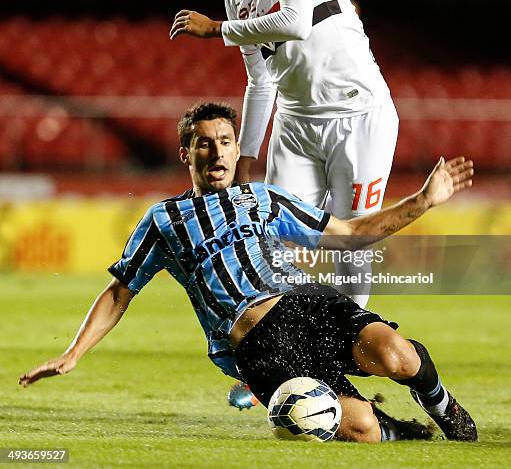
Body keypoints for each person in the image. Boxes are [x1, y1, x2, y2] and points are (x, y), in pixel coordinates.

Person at [19, 102, 476, 443]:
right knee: (359, 431)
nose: (216, 151)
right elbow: (120, 291)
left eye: (224, 141)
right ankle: (398, 430)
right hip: (255, 345)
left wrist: (423, 201)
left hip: (305, 304)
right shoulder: (163, 219)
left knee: (397, 356)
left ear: (237, 149)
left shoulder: (263, 198)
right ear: (186, 154)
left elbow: (350, 233)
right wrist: (75, 352)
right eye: (203, 143)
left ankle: (439, 402)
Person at [170, 0, 399, 309]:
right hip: (295, 124)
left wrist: (216, 30)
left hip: (358, 112)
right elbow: (261, 82)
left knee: (352, 239)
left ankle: (345, 353)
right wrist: (245, 160)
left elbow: (295, 22)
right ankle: (283, 358)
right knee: (274, 244)